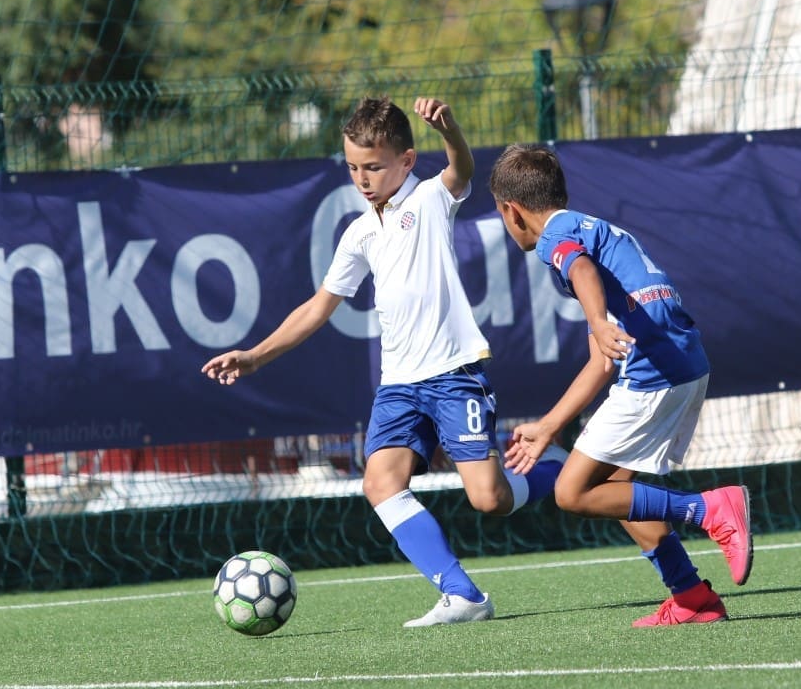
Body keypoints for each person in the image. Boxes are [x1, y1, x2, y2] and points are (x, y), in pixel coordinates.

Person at [202, 98, 564, 627]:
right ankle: (462, 595)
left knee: (490, 499)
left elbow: (462, 168)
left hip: (454, 374)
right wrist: (255, 356)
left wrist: (450, 130)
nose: (362, 178)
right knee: (379, 483)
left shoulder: (431, 198)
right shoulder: (359, 232)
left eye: (372, 166)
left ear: (407, 160)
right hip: (398, 386)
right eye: (353, 167)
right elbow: (318, 307)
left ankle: (565, 470)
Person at [488, 142, 753, 627]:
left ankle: (709, 508)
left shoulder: (556, 239)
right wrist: (548, 427)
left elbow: (580, 269)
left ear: (512, 211)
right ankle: (692, 596)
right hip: (684, 363)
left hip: (655, 373)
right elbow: (601, 364)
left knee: (572, 492)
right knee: (613, 488)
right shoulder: (592, 228)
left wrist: (596, 319)